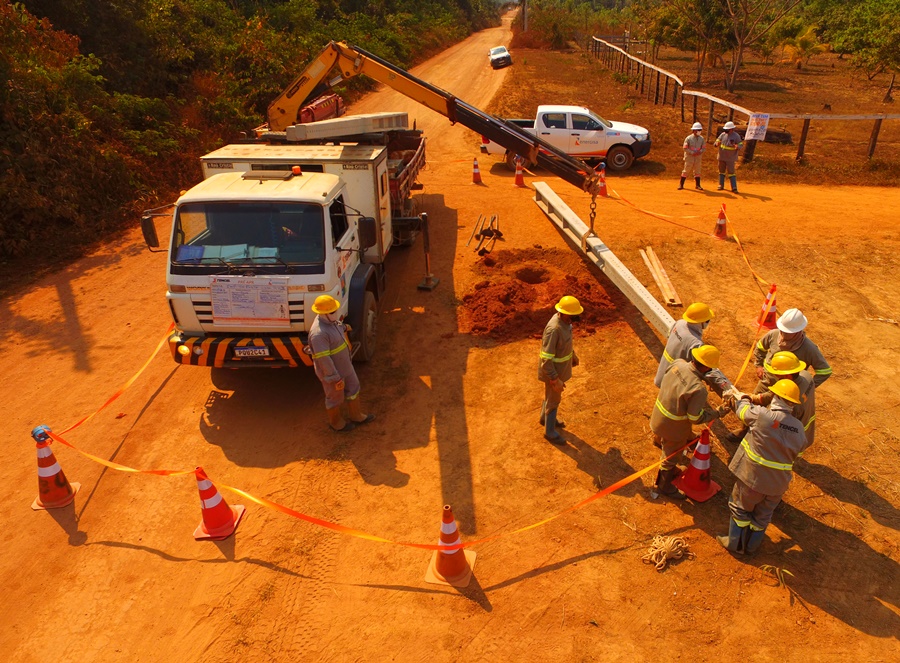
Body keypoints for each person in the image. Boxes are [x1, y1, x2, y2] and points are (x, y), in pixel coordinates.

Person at [717, 379, 810, 555]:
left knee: (739, 508)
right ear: (792, 403)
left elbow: (742, 411)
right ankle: (752, 547)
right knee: (763, 516)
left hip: (753, 479)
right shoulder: (799, 428)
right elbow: (800, 449)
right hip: (778, 485)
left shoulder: (763, 416)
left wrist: (742, 397)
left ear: (775, 396)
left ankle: (735, 544)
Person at [649, 345, 728, 499]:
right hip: (674, 430)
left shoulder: (678, 363)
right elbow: (695, 417)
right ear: (705, 366)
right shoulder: (698, 389)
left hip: (657, 417)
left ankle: (658, 441)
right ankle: (665, 486)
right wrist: (718, 412)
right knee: (670, 459)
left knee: (663, 437)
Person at [308, 294, 375, 432]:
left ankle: (356, 415)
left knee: (353, 386)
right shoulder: (318, 334)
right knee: (334, 396)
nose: (335, 313)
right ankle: (336, 423)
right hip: (333, 373)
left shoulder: (331, 321)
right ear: (323, 313)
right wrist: (334, 378)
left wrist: (344, 327)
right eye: (332, 312)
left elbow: (337, 329)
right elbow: (323, 359)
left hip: (345, 365)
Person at [735, 351, 816, 447]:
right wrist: (754, 398)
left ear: (787, 376)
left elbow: (770, 422)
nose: (775, 377)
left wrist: (745, 404)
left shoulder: (792, 405)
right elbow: (775, 393)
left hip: (793, 440)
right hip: (804, 431)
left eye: (777, 375)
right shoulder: (805, 375)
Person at [654, 302, 732, 396]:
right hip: (675, 379)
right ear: (701, 322)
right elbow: (703, 366)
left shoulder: (679, 323)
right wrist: (721, 384)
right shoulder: (695, 343)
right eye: (707, 320)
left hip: (663, 371)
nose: (708, 322)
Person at [538, 295, 582, 444]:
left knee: (550, 396)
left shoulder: (566, 322)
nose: (573, 320)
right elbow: (546, 359)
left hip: (560, 369)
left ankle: (544, 418)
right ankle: (549, 432)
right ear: (563, 313)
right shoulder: (554, 329)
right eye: (571, 316)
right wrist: (554, 378)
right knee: (554, 400)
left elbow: (566, 343)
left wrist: (572, 356)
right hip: (554, 372)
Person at [753, 308, 832, 389]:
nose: (783, 333)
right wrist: (759, 365)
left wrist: (806, 388)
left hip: (788, 391)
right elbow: (760, 347)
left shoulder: (809, 348)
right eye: (782, 329)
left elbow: (825, 371)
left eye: (788, 332)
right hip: (766, 383)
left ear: (797, 331)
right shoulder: (773, 334)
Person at [714, 121, 743, 193]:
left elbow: (740, 144)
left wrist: (738, 146)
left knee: (731, 172)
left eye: (727, 130)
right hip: (721, 157)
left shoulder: (736, 136)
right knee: (721, 171)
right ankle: (721, 185)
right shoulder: (722, 135)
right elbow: (716, 141)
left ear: (731, 129)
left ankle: (734, 187)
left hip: (730, 158)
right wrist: (716, 143)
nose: (725, 131)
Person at [679, 122, 705, 191]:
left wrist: (700, 151)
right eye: (698, 130)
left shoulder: (702, 139)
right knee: (686, 170)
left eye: (700, 130)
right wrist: (691, 152)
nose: (699, 131)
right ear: (694, 130)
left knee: (697, 171)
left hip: (698, 157)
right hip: (689, 157)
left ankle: (698, 185)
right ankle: (681, 184)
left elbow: (703, 148)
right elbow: (685, 148)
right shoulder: (688, 138)